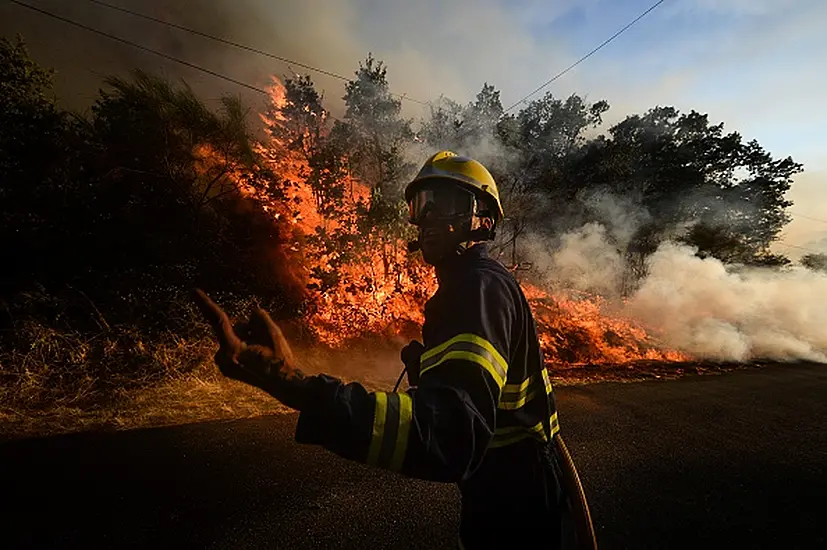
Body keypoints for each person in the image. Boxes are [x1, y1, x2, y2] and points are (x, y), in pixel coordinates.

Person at [194, 150, 596, 549]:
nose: (431, 217)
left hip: (517, 499)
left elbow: (452, 435)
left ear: (483, 221)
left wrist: (295, 386)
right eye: (423, 205)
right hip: (506, 486)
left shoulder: (477, 288)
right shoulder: (471, 284)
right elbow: (482, 403)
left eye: (449, 203)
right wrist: (435, 376)